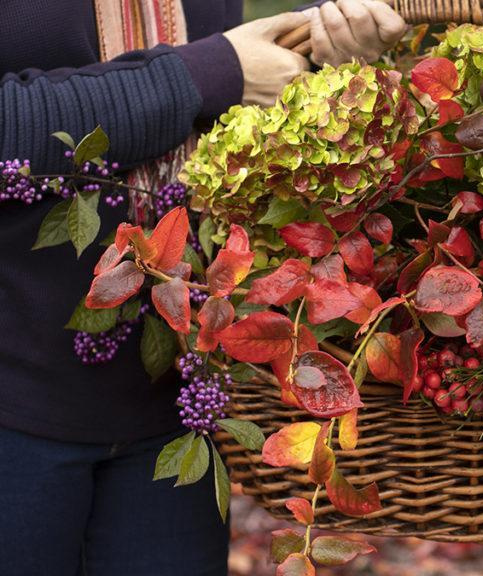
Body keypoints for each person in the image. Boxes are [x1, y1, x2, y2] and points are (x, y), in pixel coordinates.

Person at [0, 1, 405, 574]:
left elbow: (226, 130)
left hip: (179, 416)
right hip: (15, 412)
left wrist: (323, 59)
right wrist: (208, 72)